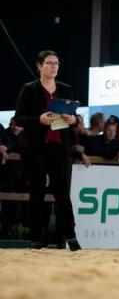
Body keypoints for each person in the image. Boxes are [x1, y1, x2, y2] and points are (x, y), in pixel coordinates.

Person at [14, 50, 87, 250]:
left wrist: (73, 120)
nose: (54, 66)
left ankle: (71, 237)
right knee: (36, 192)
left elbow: (73, 117)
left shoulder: (65, 89)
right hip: (35, 148)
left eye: (56, 63)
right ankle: (36, 238)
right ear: (39, 66)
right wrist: (39, 119)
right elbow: (19, 118)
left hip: (59, 147)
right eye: (49, 63)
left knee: (62, 194)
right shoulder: (29, 89)